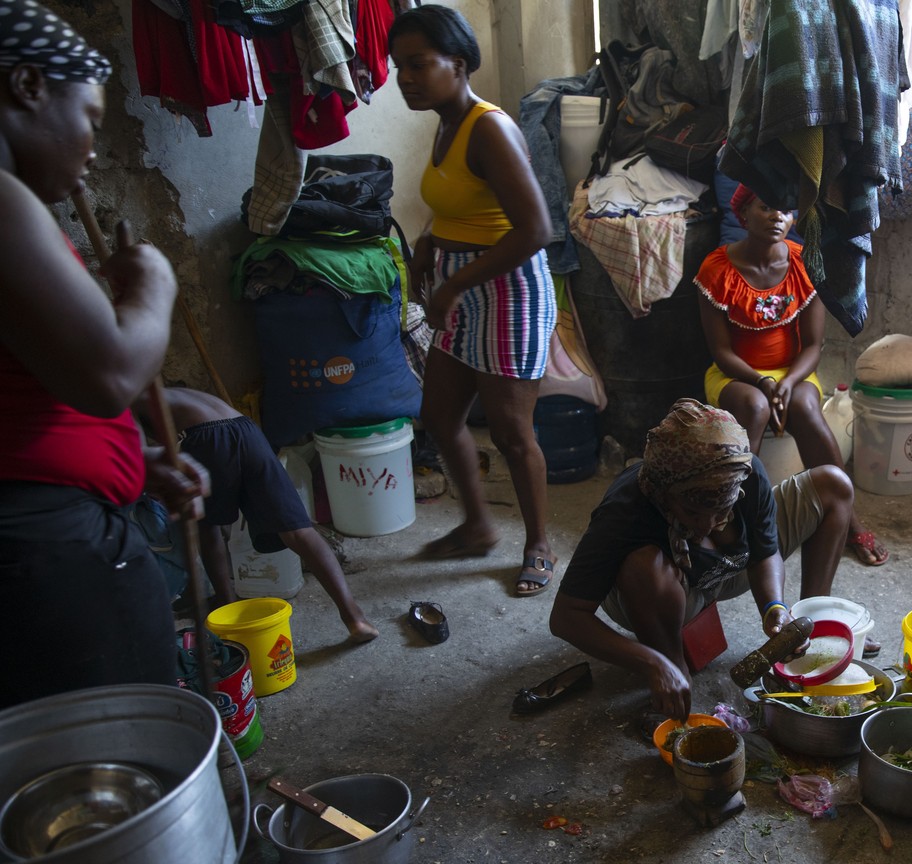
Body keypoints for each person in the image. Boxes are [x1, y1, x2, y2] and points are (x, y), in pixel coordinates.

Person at [0, 0, 207, 709]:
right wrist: (155, 287)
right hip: (42, 548)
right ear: (28, 87)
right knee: (117, 749)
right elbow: (112, 373)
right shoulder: (1, 202)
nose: (92, 145)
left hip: (38, 520)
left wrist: (131, 465)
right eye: (88, 118)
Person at [390, 5, 559, 596]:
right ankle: (478, 525)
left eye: (417, 64)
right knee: (438, 415)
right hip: (460, 280)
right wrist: (426, 247)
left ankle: (538, 543)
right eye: (398, 67)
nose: (404, 78)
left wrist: (455, 283)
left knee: (513, 432)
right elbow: (461, 204)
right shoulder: (443, 123)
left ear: (457, 64)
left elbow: (534, 228)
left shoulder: (489, 128)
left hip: (507, 287)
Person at [548, 399, 855, 720]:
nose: (709, 525)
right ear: (665, 493)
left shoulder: (741, 471)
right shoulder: (626, 510)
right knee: (643, 568)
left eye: (723, 511)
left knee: (833, 485)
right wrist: (653, 664)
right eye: (693, 512)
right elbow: (566, 617)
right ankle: (672, 665)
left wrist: (774, 609)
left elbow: (766, 552)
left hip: (727, 567)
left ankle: (813, 625)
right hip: (658, 592)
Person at [695, 185, 888, 569]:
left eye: (785, 210)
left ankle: (849, 521)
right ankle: (730, 520)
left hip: (793, 372)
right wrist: (762, 382)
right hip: (735, 373)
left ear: (795, 218)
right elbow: (721, 353)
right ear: (744, 214)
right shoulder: (716, 269)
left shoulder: (804, 264)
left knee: (804, 404)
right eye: (766, 206)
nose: (776, 217)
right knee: (753, 407)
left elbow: (814, 346)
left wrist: (784, 382)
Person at [134, 387, 379, 643]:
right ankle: (355, 618)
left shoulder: (123, 401)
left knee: (207, 528)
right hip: (247, 430)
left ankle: (228, 613)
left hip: (205, 437)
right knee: (298, 531)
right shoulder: (171, 393)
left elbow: (137, 459)